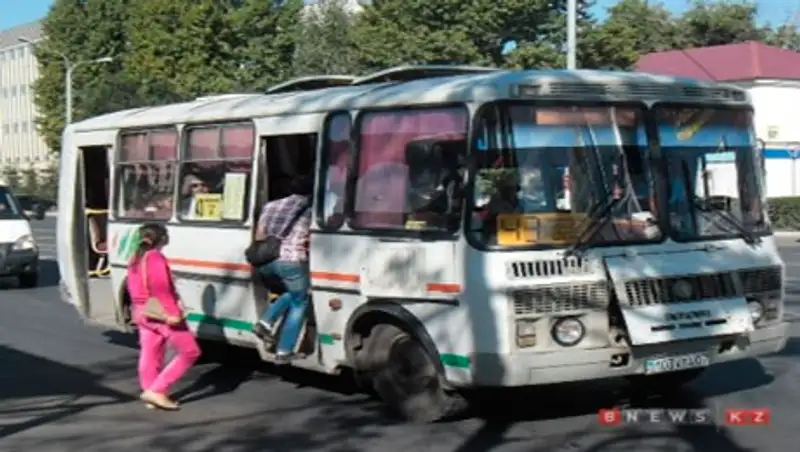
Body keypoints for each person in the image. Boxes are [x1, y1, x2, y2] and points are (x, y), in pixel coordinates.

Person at [126, 223, 201, 410]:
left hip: (142, 311)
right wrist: (173, 313)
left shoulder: (136, 257)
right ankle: (158, 390)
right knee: (190, 351)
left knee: (150, 352)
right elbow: (161, 289)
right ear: (162, 239)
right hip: (161, 313)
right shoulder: (155, 258)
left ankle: (149, 390)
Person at [251, 175, 313, 363]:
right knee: (300, 301)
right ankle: (284, 351)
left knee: (294, 292)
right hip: (291, 261)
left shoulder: (270, 206)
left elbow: (259, 235)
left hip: (266, 261)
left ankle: (265, 323)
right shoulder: (311, 211)